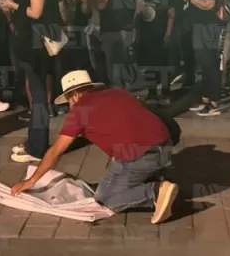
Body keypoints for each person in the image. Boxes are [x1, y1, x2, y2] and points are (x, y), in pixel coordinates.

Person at [11, 70, 179, 225]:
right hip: (166, 147)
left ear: (74, 95)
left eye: (68, 100)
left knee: (102, 200)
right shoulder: (117, 93)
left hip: (140, 158)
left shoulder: (79, 111)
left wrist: (32, 180)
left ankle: (155, 192)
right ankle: (157, 176)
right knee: (118, 166)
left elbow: (56, 151)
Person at [2, 0, 62, 164]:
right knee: (34, 93)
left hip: (37, 45)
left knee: (38, 96)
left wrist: (14, 6)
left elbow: (35, 12)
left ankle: (38, 147)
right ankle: (34, 142)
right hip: (28, 43)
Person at [182, 0, 223, 117]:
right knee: (204, 64)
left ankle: (214, 102)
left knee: (209, 64)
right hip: (200, 27)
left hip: (207, 28)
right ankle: (206, 98)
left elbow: (209, 4)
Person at [92, 0, 138, 91]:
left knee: (114, 68)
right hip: (128, 24)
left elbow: (102, 2)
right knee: (124, 64)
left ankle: (119, 99)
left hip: (112, 27)